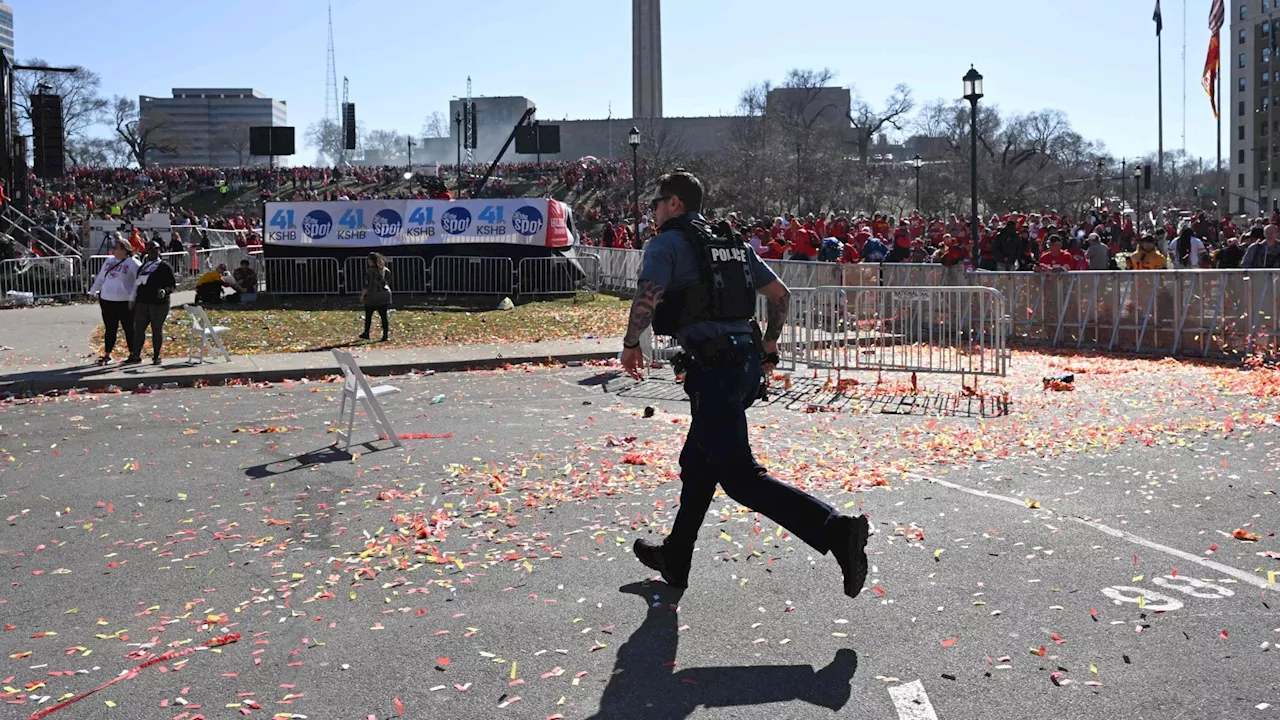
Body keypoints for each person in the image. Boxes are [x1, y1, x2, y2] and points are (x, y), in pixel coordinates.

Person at [620, 170, 871, 599]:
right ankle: (675, 556)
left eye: (656, 203)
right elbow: (781, 295)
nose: (653, 212)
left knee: (740, 478)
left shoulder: (666, 243)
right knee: (697, 466)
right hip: (743, 367)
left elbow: (649, 293)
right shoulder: (730, 244)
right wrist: (770, 343)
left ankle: (836, 531)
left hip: (713, 369)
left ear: (675, 204)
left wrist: (630, 343)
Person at [88, 238, 140, 365]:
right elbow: (101, 277)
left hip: (125, 301)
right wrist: (93, 291)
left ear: (124, 249)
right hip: (107, 300)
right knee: (110, 328)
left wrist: (133, 298)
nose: (114, 250)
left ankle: (134, 354)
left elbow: (138, 282)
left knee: (129, 328)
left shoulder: (133, 263)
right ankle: (107, 354)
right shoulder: (109, 260)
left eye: (117, 248)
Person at [129, 241, 177, 365]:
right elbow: (137, 284)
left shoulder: (164, 266)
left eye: (156, 249)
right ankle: (136, 355)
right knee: (139, 329)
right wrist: (133, 299)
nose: (153, 251)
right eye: (150, 249)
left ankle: (156, 356)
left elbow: (172, 285)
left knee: (156, 329)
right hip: (143, 303)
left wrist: (165, 291)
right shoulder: (143, 267)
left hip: (159, 304)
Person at [360, 252, 392, 341]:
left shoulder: (370, 271)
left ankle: (366, 332)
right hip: (385, 294)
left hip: (372, 295)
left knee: (369, 315)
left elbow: (367, 285)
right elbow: (388, 281)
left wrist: (362, 295)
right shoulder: (385, 270)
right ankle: (385, 335)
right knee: (383, 316)